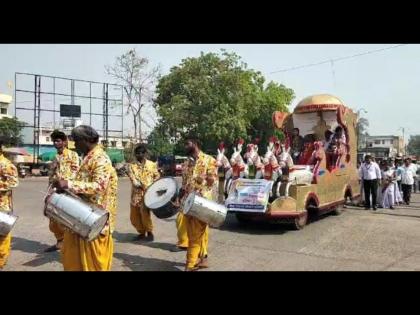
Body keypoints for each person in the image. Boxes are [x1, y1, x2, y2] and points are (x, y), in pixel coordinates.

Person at [53, 125, 118, 271]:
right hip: (81, 216)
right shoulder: (88, 157)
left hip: (95, 219)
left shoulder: (101, 158)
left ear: (86, 140)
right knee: (73, 260)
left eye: (76, 141)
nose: (74, 145)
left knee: (94, 264)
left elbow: (98, 186)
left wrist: (69, 184)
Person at [176, 137, 217, 271]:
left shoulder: (209, 160)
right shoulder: (186, 163)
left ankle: (191, 264)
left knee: (195, 234)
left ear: (195, 144)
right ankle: (202, 257)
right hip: (187, 203)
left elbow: (212, 181)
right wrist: (178, 198)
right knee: (195, 233)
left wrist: (205, 179)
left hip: (202, 202)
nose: (185, 146)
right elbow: (183, 185)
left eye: (187, 144)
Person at [45, 130, 80, 252]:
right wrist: (50, 190)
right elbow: (52, 176)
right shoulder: (55, 157)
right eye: (54, 141)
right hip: (55, 191)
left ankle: (71, 244)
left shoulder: (73, 155)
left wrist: (66, 185)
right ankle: (60, 241)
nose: (56, 143)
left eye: (58, 140)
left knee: (68, 218)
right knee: (53, 218)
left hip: (68, 191)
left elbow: (76, 173)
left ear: (65, 142)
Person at [127, 143, 160, 241]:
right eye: (137, 153)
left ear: (145, 153)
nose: (139, 155)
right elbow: (132, 178)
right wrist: (138, 184)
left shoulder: (151, 165)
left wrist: (154, 186)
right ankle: (141, 232)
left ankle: (149, 233)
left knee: (145, 214)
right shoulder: (131, 166)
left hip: (148, 194)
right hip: (136, 194)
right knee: (134, 217)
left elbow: (156, 176)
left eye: (141, 153)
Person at [0, 137, 19, 270]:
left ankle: (1, 260)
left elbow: (13, 182)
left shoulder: (6, 164)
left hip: (2, 204)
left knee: (2, 233)